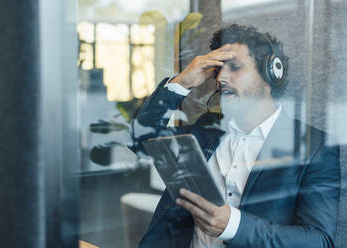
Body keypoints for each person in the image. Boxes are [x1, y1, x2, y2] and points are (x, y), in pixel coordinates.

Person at [130, 24, 341, 248]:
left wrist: (232, 225)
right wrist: (181, 83)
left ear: (271, 74)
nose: (221, 78)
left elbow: (318, 240)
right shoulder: (207, 129)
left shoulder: (314, 147)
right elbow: (140, 139)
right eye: (219, 69)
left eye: (235, 67)